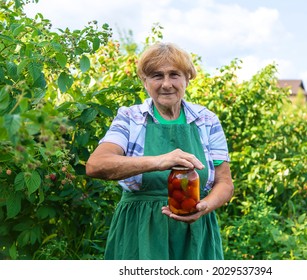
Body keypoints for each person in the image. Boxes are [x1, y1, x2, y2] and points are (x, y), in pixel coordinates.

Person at [86, 42, 234, 260]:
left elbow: (225, 182)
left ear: (187, 78)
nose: (166, 84)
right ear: (144, 81)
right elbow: (96, 165)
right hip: (140, 230)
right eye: (156, 75)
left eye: (174, 75)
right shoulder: (130, 118)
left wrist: (205, 206)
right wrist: (160, 161)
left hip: (195, 230)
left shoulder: (206, 120)